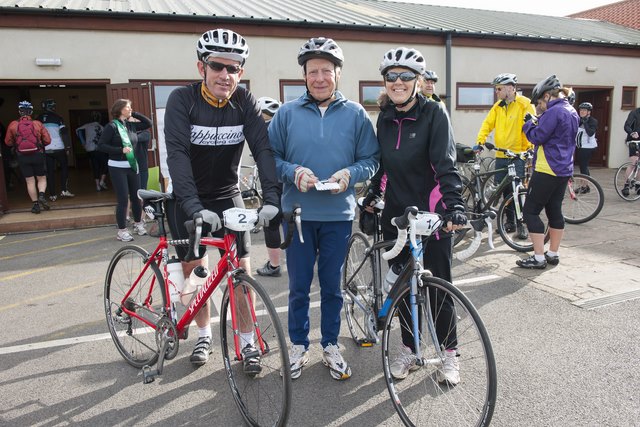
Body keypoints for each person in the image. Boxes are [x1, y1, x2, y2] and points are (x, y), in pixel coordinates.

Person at [164, 29, 281, 368]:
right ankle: (203, 336)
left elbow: (262, 148)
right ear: (202, 67)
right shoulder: (182, 100)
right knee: (196, 272)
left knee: (241, 274)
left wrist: (271, 198)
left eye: (234, 68)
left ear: (240, 73)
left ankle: (247, 343)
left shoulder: (244, 102)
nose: (225, 75)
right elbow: (178, 156)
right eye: (218, 66)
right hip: (189, 199)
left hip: (228, 195)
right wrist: (193, 206)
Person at [269, 36, 379, 381]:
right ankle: (299, 345)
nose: (319, 77)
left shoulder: (356, 114)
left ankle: (330, 344)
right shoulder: (285, 114)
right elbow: (270, 159)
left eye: (326, 71)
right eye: (313, 71)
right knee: (299, 286)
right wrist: (293, 172)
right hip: (298, 215)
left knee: (332, 286)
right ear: (304, 75)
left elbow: (371, 159)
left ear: (338, 74)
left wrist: (351, 174)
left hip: (338, 216)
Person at [363, 47, 467, 384]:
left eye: (406, 76)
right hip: (396, 216)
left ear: (417, 80)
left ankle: (449, 355)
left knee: (438, 289)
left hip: (431, 216)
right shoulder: (385, 117)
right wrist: (374, 195)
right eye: (391, 76)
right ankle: (409, 348)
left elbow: (444, 165)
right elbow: (383, 166)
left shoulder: (434, 114)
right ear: (385, 81)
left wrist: (452, 205)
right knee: (404, 288)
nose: (398, 82)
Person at [518, 75, 578, 269]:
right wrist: (537, 121)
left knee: (530, 212)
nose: (538, 106)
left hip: (546, 169)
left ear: (546, 96)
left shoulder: (553, 112)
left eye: (538, 102)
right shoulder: (571, 110)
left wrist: (528, 124)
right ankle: (553, 253)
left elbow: (537, 137)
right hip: (563, 169)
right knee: (554, 210)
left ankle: (538, 258)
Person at [476, 73, 536, 240]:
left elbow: (532, 125)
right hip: (501, 154)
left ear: (511, 88)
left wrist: (530, 147)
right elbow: (487, 124)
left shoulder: (525, 104)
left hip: (518, 155)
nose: (497, 92)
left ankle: (521, 225)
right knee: (503, 190)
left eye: (499, 89)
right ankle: (508, 222)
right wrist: (480, 141)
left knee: (517, 191)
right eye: (496, 89)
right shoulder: (498, 106)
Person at [97, 99, 152, 241]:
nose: (130, 109)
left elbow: (148, 123)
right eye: (128, 107)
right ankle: (122, 231)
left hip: (132, 166)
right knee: (122, 199)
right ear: (120, 109)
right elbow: (101, 145)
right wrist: (119, 150)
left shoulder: (130, 125)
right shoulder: (111, 126)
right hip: (117, 166)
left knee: (136, 197)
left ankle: (138, 224)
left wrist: (136, 113)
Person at [4, 101, 51, 214]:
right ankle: (41, 195)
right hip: (37, 154)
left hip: (22, 156)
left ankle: (35, 205)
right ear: (31, 111)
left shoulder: (13, 125)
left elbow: (8, 142)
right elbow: (48, 140)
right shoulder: (37, 124)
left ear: (20, 111)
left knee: (30, 181)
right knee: (41, 178)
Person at [255, 96, 284, 277]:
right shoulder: (286, 127)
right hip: (291, 179)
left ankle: (274, 266)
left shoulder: (262, 130)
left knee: (271, 222)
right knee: (297, 221)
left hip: (272, 182)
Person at [38, 99, 74, 201]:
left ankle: (52, 195)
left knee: (49, 172)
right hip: (58, 147)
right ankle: (64, 190)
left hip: (45, 148)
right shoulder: (58, 117)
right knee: (64, 168)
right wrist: (67, 147)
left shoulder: (38, 119)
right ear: (52, 107)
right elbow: (64, 133)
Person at [76, 111, 108, 192]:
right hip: (101, 149)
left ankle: (97, 186)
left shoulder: (87, 126)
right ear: (99, 119)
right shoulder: (102, 127)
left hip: (90, 149)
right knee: (105, 165)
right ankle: (102, 181)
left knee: (95, 167)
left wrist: (83, 142)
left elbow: (78, 130)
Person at [575, 102, 598, 190]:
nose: (582, 112)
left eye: (584, 110)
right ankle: (586, 185)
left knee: (583, 167)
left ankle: (584, 186)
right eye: (581, 110)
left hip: (588, 147)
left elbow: (590, 133)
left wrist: (585, 123)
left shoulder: (593, 121)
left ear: (589, 112)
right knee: (583, 166)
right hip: (581, 146)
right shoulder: (579, 120)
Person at [622, 106, 640, 196]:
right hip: (634, 141)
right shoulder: (635, 113)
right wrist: (632, 133)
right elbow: (627, 126)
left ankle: (638, 184)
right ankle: (626, 185)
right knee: (634, 162)